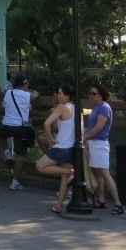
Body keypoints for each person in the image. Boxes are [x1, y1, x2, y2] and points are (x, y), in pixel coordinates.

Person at [36, 83, 76, 214]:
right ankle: (59, 206)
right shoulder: (76, 108)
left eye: (60, 94)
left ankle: (71, 173)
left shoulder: (62, 107)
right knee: (64, 177)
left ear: (67, 96)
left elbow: (47, 123)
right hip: (72, 147)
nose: (58, 96)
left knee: (40, 166)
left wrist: (50, 137)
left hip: (62, 146)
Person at [84, 84, 123, 215]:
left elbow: (98, 128)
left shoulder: (105, 108)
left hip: (99, 143)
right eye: (90, 93)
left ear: (101, 95)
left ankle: (118, 204)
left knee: (105, 173)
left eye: (94, 93)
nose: (91, 96)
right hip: (93, 143)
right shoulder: (96, 109)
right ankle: (101, 199)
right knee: (97, 172)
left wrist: (84, 138)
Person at [0, 73, 39, 191]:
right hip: (20, 127)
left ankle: (6, 152)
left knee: (0, 135)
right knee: (20, 154)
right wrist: (31, 91)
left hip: (6, 125)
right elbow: (36, 94)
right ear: (25, 84)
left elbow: (5, 90)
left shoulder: (9, 93)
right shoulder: (27, 95)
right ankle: (15, 181)